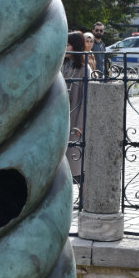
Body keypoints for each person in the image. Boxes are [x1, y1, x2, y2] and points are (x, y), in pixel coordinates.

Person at [61, 30, 88, 185]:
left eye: (68, 45)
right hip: (62, 116)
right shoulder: (63, 65)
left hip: (75, 118)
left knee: (76, 162)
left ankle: (83, 196)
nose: (65, 47)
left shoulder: (84, 69)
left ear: (76, 46)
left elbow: (85, 100)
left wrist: (80, 125)